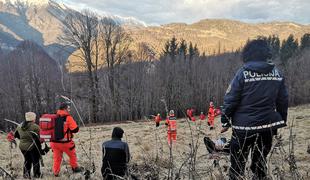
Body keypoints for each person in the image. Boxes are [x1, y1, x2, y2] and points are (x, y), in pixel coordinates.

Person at [220, 39, 288, 180]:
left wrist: (225, 121)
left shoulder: (242, 74)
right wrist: (281, 120)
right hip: (267, 127)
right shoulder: (277, 74)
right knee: (259, 164)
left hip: (243, 128)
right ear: (266, 53)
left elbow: (230, 99)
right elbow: (283, 100)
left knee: (237, 166)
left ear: (247, 54)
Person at [50, 102, 82, 176]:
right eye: (68, 108)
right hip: (66, 143)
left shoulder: (53, 116)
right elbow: (75, 130)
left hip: (54, 143)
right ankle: (75, 168)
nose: (69, 110)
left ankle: (55, 172)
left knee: (57, 158)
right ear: (65, 108)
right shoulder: (68, 117)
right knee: (72, 155)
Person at [14, 112, 41, 178]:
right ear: (33, 118)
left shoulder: (19, 126)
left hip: (22, 147)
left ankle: (26, 175)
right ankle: (37, 175)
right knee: (35, 161)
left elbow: (16, 135)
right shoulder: (35, 127)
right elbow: (39, 137)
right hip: (32, 146)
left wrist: (23, 139)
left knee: (27, 160)